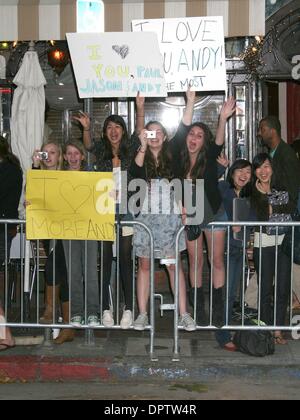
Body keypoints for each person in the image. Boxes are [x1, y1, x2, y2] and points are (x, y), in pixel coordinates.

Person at [73, 94, 144, 329]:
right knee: (104, 259)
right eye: (109, 128)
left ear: (123, 131)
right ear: (105, 132)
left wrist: (140, 106)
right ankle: (105, 308)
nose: (114, 131)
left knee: (125, 259)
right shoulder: (101, 151)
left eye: (118, 127)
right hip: (104, 208)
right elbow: (88, 144)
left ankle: (128, 309)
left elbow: (140, 130)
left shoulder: (131, 148)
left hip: (126, 209)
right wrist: (86, 127)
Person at [130, 92, 198, 332]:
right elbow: (135, 173)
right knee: (145, 266)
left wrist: (190, 101)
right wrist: (142, 142)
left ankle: (184, 315)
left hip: (169, 219)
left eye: (159, 131)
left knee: (173, 265)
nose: (154, 135)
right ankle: (142, 314)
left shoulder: (174, 156)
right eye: (150, 132)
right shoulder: (139, 154)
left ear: (166, 136)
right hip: (145, 219)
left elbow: (185, 126)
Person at [172, 95, 236, 326]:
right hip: (192, 215)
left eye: (199, 136)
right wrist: (181, 207)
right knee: (195, 261)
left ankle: (217, 312)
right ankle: (198, 310)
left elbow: (218, 142)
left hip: (215, 212)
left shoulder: (209, 159)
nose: (194, 138)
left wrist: (222, 118)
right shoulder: (177, 160)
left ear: (203, 142)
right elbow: (176, 188)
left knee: (217, 261)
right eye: (192, 134)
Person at [31, 141, 72, 344]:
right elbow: (33, 194)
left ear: (60, 156)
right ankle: (66, 325)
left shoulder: (68, 176)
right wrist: (35, 165)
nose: (48, 156)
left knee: (53, 266)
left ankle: (50, 311)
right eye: (44, 152)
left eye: (52, 152)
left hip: (68, 232)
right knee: (61, 274)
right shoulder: (37, 173)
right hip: (48, 232)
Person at [251, 153, 292, 345]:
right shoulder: (251, 192)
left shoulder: (282, 188)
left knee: (282, 288)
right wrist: (272, 209)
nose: (263, 171)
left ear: (272, 168)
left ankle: (278, 329)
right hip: (263, 243)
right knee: (265, 288)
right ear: (255, 171)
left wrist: (271, 209)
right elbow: (256, 219)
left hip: (283, 242)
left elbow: (289, 212)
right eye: (259, 167)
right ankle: (265, 329)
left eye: (266, 166)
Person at [215, 159, 252, 350]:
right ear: (232, 172)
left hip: (239, 249)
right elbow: (206, 185)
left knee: (232, 294)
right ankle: (223, 335)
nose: (244, 175)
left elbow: (254, 218)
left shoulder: (249, 196)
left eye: (248, 172)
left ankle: (224, 328)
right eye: (240, 170)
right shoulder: (223, 188)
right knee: (226, 294)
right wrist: (220, 167)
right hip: (225, 249)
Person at [62, 140, 99, 328]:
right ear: (64, 156)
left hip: (90, 228)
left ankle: (93, 312)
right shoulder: (58, 178)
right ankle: (76, 312)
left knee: (91, 271)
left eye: (77, 153)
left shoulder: (91, 176)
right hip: (68, 229)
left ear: (82, 156)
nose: (73, 157)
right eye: (69, 153)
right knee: (73, 272)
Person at [0, 136, 22, 351]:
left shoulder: (5, 170)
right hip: (6, 228)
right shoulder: (14, 168)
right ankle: (5, 334)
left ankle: (5, 335)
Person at [258, 116, 300, 215]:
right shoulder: (271, 153)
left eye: (262, 130)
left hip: (284, 215)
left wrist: (276, 209)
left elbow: (292, 192)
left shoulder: (287, 154)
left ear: (273, 132)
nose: (259, 133)